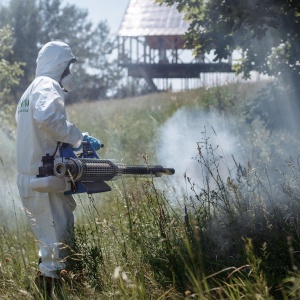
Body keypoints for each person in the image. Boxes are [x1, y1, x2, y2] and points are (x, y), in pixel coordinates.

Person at [15, 41, 85, 293]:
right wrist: (77, 136)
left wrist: (73, 137)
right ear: (60, 65)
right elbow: (48, 120)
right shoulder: (48, 85)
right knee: (57, 245)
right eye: (68, 67)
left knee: (49, 240)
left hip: (29, 177)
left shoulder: (28, 91)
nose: (69, 73)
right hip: (43, 177)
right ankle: (49, 290)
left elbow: (39, 132)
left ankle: (52, 282)